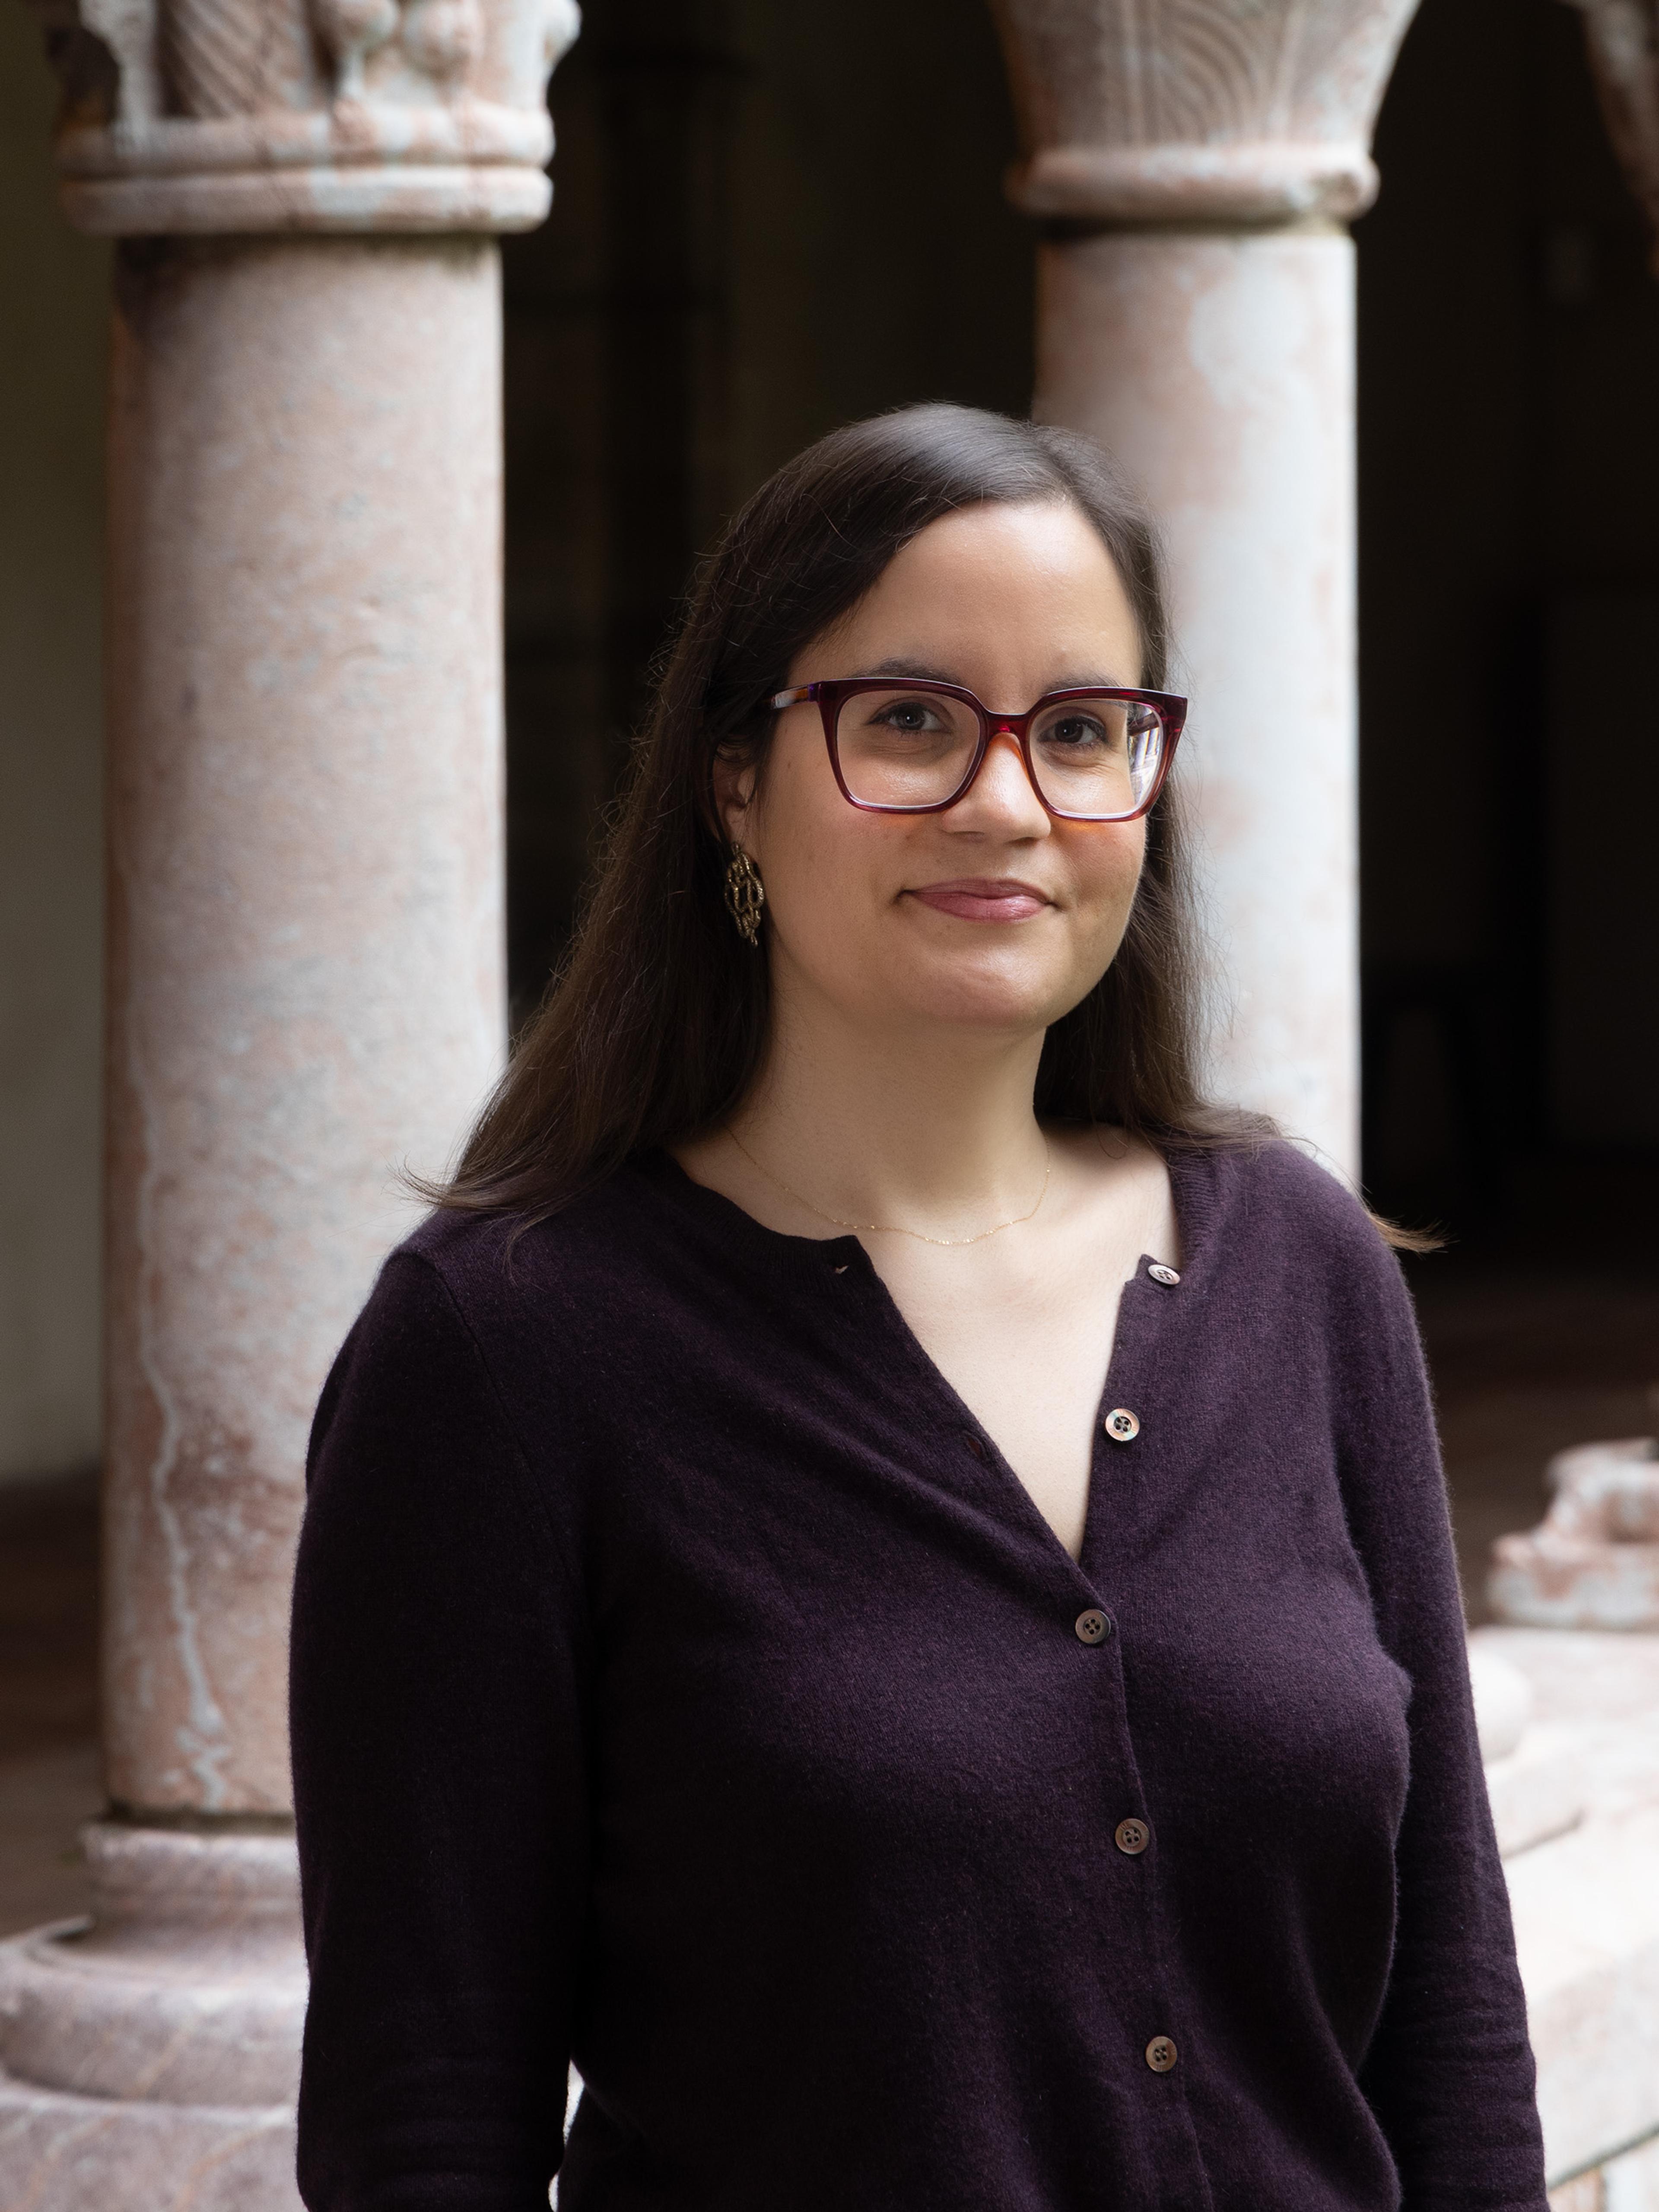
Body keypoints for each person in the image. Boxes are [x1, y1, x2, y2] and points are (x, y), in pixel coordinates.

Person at [289, 404, 1548, 2211]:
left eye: (1083, 730)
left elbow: (1451, 2006)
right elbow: (424, 2109)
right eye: (908, 719)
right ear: (733, 778)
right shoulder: (505, 1349)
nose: (1008, 803)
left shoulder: (1299, 1263)